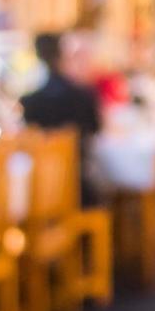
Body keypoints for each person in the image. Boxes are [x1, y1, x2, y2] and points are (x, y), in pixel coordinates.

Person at [20, 31, 104, 206]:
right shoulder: (84, 95)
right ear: (63, 55)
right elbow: (96, 130)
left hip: (40, 192)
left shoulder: (30, 101)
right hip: (79, 187)